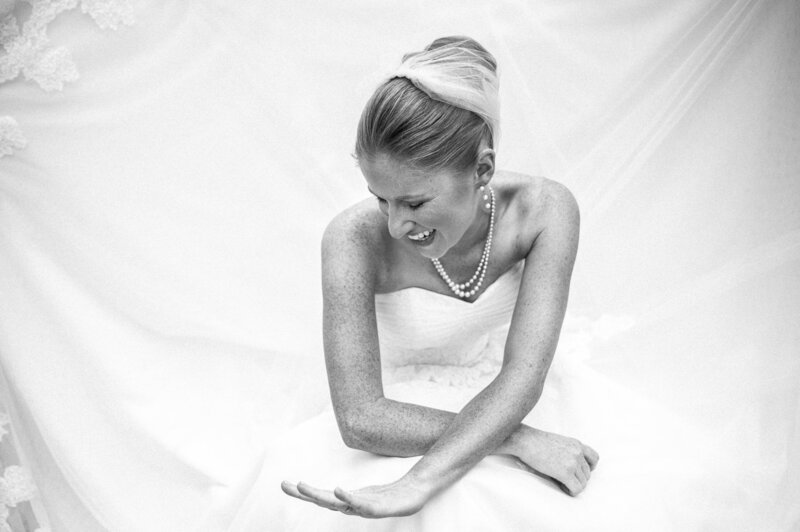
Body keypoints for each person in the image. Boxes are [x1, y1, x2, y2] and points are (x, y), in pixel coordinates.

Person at [229, 36, 713, 531]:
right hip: (397, 419)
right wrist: (519, 440)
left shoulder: (543, 211)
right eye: (381, 199)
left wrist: (423, 479)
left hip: (505, 395)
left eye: (414, 203)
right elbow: (359, 419)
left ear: (482, 169)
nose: (396, 224)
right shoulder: (351, 238)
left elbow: (524, 375)